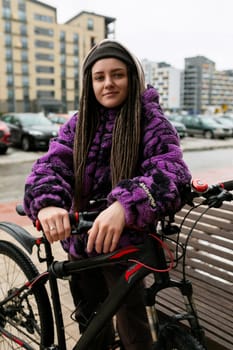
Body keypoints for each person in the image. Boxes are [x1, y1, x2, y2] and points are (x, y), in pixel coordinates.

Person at [23, 39, 192, 350]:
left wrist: (124, 205)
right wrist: (47, 204)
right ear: (90, 83)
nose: (108, 83)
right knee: (91, 324)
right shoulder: (78, 124)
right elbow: (50, 166)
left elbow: (171, 172)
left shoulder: (151, 122)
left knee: (133, 328)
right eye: (99, 77)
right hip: (81, 242)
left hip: (125, 247)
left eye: (118, 74)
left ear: (133, 78)